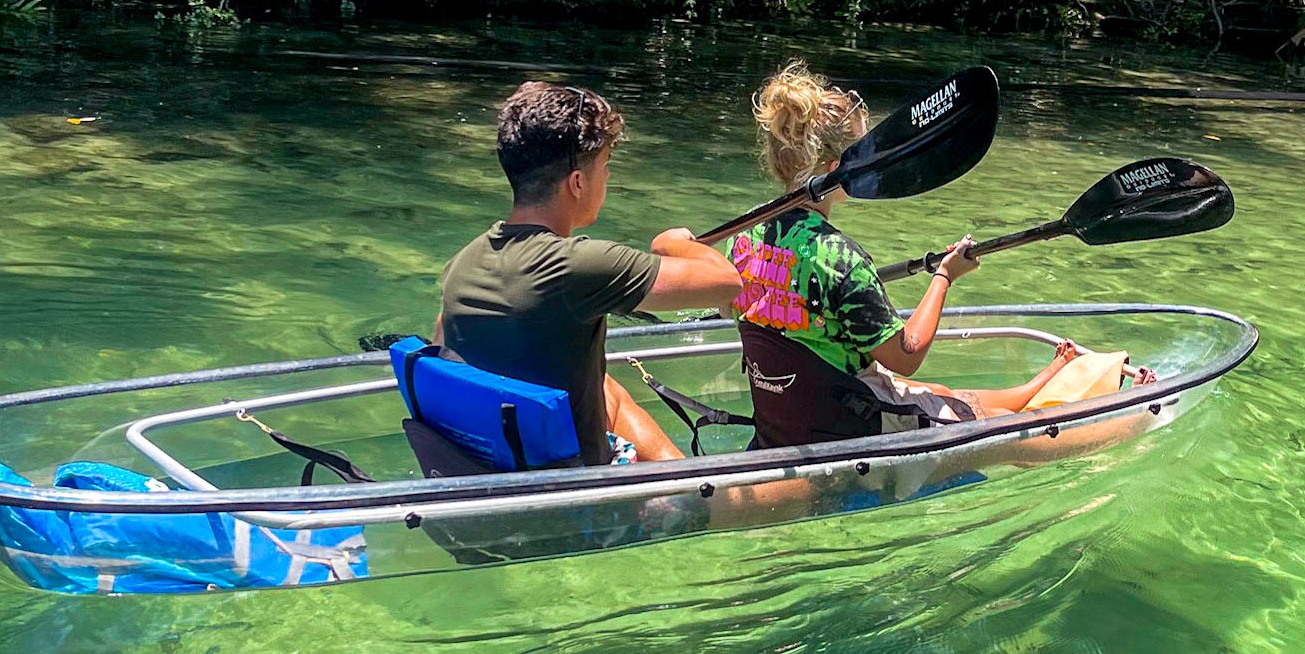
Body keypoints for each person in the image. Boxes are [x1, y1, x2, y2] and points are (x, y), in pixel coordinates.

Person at [728, 62, 1131, 448]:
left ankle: (1036, 384)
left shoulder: (742, 237)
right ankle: (1108, 428)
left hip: (790, 414)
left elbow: (745, 309)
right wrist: (945, 275)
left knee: (936, 393)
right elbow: (907, 355)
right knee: (980, 420)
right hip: (849, 424)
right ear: (837, 169)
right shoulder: (839, 259)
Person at [433, 81, 741, 466]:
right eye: (606, 166)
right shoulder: (580, 266)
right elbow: (726, 282)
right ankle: (691, 487)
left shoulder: (463, 262)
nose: (607, 177)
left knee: (605, 385)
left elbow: (443, 340)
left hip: (497, 462)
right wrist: (677, 243)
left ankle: (677, 471)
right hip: (581, 496)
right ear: (577, 183)